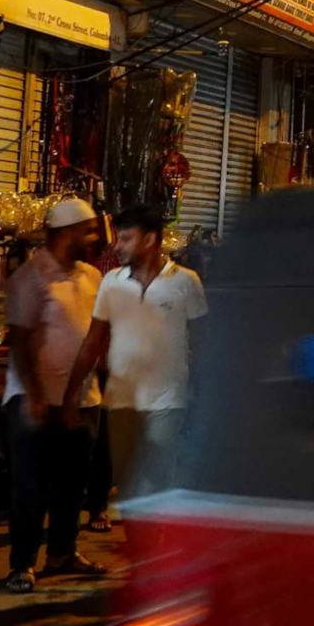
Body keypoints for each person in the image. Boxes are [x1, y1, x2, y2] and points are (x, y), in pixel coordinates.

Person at [66, 204, 206, 502]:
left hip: (168, 400)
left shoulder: (185, 282)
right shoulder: (111, 282)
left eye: (126, 239)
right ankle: (141, 540)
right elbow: (92, 341)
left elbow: (202, 341)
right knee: (128, 483)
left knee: (158, 480)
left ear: (150, 240)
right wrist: (71, 395)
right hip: (121, 401)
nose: (117, 246)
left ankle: (158, 539)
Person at [3, 196, 107, 591]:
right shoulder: (30, 278)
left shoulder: (92, 277)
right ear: (66, 233)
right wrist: (34, 395)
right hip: (35, 400)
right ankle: (22, 563)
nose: (94, 238)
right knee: (31, 485)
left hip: (81, 399)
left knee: (72, 482)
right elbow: (21, 340)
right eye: (88, 230)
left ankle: (63, 552)